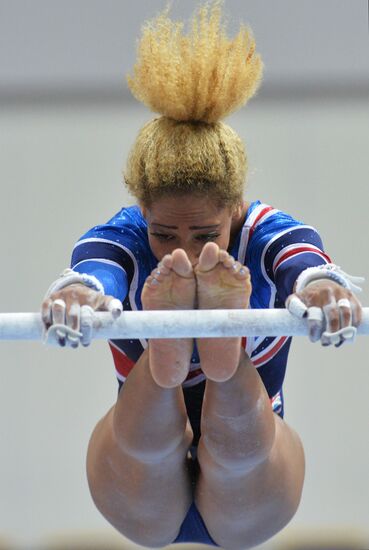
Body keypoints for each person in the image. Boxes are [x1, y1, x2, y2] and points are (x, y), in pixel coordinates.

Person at [41, 3, 363, 549]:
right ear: (141, 209)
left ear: (236, 206)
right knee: (165, 445)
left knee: (239, 448)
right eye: (164, 234)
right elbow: (94, 269)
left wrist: (321, 287)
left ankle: (213, 348)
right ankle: (181, 355)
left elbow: (301, 258)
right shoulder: (120, 236)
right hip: (172, 483)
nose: (186, 254)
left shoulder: (264, 230)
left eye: (206, 234)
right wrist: (78, 294)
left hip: (232, 478)